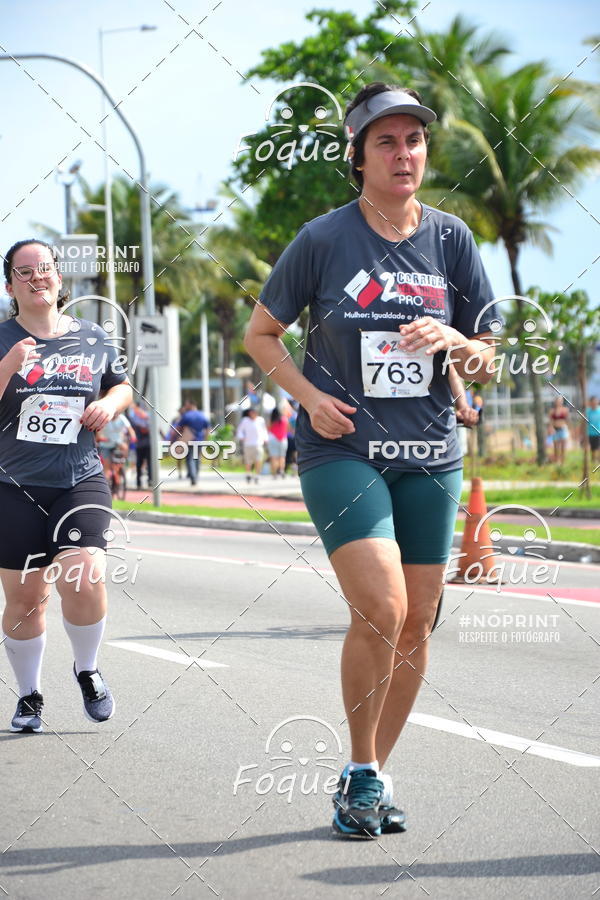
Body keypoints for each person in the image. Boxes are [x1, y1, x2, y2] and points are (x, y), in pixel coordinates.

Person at [244, 83, 499, 838]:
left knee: (419, 618)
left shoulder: (452, 241)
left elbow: (486, 357)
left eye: (414, 140)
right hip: (342, 447)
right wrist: (305, 397)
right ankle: (360, 763)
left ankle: (371, 777)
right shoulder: (323, 239)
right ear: (356, 157)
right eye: (385, 142)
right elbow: (263, 334)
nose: (403, 154)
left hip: (430, 453)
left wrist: (455, 343)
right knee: (382, 607)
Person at [0, 238, 132, 732]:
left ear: (59, 277)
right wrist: (11, 362)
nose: (38, 278)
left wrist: (110, 405)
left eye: (46, 269)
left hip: (78, 480)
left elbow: (120, 384)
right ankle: (30, 695)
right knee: (26, 599)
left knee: (84, 574)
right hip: (12, 485)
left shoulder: (93, 336)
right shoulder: (2, 339)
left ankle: (88, 669)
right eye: (25, 271)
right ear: (10, 282)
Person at [175, 399, 209, 486]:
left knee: (189, 459)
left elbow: (179, 428)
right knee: (197, 458)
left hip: (188, 440)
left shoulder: (186, 415)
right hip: (199, 440)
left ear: (191, 404)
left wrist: (178, 439)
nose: (185, 406)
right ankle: (196, 476)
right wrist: (205, 439)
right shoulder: (202, 415)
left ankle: (193, 477)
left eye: (187, 404)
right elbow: (207, 429)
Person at [97, 412, 136, 477]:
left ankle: (123, 464)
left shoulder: (122, 418)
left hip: (117, 443)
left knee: (125, 447)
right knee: (106, 466)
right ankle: (108, 480)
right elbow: (98, 431)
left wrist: (133, 437)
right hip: (105, 444)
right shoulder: (105, 418)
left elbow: (130, 429)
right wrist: (100, 438)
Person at [235, 407, 268, 484]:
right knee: (248, 461)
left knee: (258, 460)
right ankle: (248, 474)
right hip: (248, 444)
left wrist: (265, 438)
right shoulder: (245, 421)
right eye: (252, 412)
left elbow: (264, 430)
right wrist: (242, 437)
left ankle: (257, 475)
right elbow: (240, 431)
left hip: (258, 444)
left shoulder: (261, 420)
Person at [128, 399, 152, 489]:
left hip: (148, 442)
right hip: (139, 443)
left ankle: (150, 480)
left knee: (150, 462)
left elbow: (150, 427)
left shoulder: (147, 416)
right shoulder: (133, 417)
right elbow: (135, 427)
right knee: (139, 463)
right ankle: (138, 481)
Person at [268, 406, 288, 477]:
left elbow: (268, 429)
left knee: (274, 457)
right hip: (283, 439)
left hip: (273, 439)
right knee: (282, 456)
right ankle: (282, 470)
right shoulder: (284, 419)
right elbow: (287, 429)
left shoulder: (272, 420)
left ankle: (274, 473)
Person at [549, 395, 570, 464]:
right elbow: (551, 421)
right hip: (555, 430)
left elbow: (567, 420)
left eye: (560, 401)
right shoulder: (552, 411)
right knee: (556, 447)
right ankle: (557, 461)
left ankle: (563, 462)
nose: (558, 402)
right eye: (557, 401)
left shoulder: (565, 410)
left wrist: (569, 429)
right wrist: (551, 428)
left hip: (563, 429)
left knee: (563, 447)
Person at [586, 395, 600, 465]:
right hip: (590, 433)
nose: (594, 403)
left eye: (595, 402)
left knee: (598, 448)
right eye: (593, 402)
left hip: (598, 433)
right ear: (590, 403)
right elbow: (584, 423)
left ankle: (597, 462)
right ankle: (593, 462)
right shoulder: (588, 411)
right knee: (593, 449)